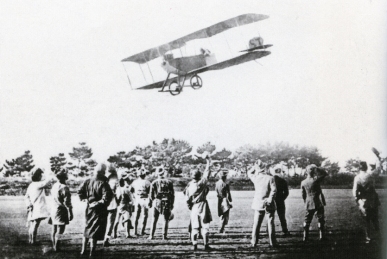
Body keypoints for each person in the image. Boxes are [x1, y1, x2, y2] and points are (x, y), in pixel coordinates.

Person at [78, 163, 113, 257]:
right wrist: (97, 203)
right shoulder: (104, 183)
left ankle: (83, 250)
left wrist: (85, 200)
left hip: (89, 209)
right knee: (95, 232)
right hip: (99, 210)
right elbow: (107, 198)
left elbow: (80, 192)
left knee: (87, 228)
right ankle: (92, 253)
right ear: (103, 172)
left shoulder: (88, 181)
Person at [248, 160, 278, 249]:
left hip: (258, 203)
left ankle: (254, 242)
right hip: (269, 203)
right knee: (270, 223)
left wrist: (255, 166)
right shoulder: (270, 178)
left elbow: (249, 172)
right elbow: (274, 190)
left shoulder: (255, 177)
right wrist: (270, 199)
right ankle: (272, 242)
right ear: (264, 168)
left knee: (256, 223)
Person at [185, 156, 213, 251]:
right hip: (203, 205)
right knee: (205, 226)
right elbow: (207, 173)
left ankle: (195, 245)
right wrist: (208, 161)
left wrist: (190, 206)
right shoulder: (201, 184)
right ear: (199, 176)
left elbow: (187, 200)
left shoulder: (189, 186)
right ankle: (206, 245)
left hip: (194, 206)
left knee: (195, 227)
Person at [353, 160, 382, 243]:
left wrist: (358, 200)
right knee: (375, 219)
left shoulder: (357, 177)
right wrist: (378, 158)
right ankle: (379, 236)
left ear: (359, 168)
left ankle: (368, 237)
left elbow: (355, 192)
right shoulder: (371, 175)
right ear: (366, 167)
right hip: (373, 199)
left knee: (366, 220)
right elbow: (379, 169)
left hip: (363, 200)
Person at [25, 168, 55, 245]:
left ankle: (30, 240)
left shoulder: (31, 185)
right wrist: (48, 174)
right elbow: (47, 181)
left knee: (32, 224)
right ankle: (33, 241)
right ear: (38, 177)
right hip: (38, 207)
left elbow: (26, 196)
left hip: (32, 206)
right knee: (35, 224)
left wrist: (29, 205)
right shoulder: (38, 184)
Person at [301, 164, 328, 242]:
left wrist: (305, 202)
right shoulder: (316, 179)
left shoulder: (303, 182)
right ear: (313, 171)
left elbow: (303, 194)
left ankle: (305, 237)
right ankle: (321, 236)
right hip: (317, 202)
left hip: (308, 202)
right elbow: (325, 174)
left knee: (307, 220)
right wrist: (318, 168)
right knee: (320, 219)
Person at [148, 166, 175, 240]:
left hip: (157, 201)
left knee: (154, 219)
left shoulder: (154, 182)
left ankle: (151, 235)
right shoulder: (169, 182)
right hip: (166, 201)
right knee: (166, 219)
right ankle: (164, 236)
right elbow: (172, 195)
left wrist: (151, 202)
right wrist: (172, 203)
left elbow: (151, 195)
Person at [49, 168, 73, 251]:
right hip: (61, 209)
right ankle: (57, 246)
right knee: (60, 229)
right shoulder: (64, 187)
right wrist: (70, 212)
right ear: (64, 178)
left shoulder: (54, 186)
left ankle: (54, 245)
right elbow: (67, 202)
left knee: (54, 228)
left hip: (53, 209)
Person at [113, 172, 134, 238]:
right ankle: (127, 233)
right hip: (125, 205)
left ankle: (114, 234)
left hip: (118, 206)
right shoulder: (126, 190)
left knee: (116, 220)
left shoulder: (117, 190)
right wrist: (131, 204)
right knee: (127, 219)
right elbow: (131, 199)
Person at [131, 168, 151, 236]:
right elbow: (149, 192)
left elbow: (131, 190)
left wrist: (134, 196)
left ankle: (135, 231)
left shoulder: (134, 182)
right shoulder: (147, 182)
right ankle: (142, 230)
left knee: (136, 216)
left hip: (137, 199)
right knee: (144, 215)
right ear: (144, 175)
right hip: (144, 199)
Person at [272, 164, 291, 237]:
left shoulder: (270, 179)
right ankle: (285, 230)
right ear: (279, 171)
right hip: (280, 200)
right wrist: (282, 199)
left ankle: (269, 231)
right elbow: (286, 192)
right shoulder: (283, 181)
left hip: (272, 200)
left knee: (270, 216)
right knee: (282, 217)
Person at [103, 165, 119, 247]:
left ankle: (94, 238)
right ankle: (106, 239)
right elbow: (118, 193)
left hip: (102, 204)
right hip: (112, 203)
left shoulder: (102, 179)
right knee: (110, 222)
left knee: (102, 222)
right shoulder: (116, 180)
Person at [215, 168, 232, 234]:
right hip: (224, 199)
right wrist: (230, 200)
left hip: (219, 200)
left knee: (221, 214)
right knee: (225, 214)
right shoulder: (226, 184)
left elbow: (216, 192)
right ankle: (221, 228)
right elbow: (229, 194)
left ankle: (221, 227)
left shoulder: (217, 183)